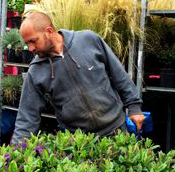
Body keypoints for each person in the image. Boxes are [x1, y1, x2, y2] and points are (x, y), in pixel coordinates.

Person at [11, 12, 145, 144]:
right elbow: (27, 116)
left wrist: (134, 107)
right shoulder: (36, 71)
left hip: (117, 130)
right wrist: (17, 151)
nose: (30, 48)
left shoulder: (88, 40)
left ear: (49, 31)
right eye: (27, 43)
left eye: (33, 41)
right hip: (79, 142)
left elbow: (118, 74)